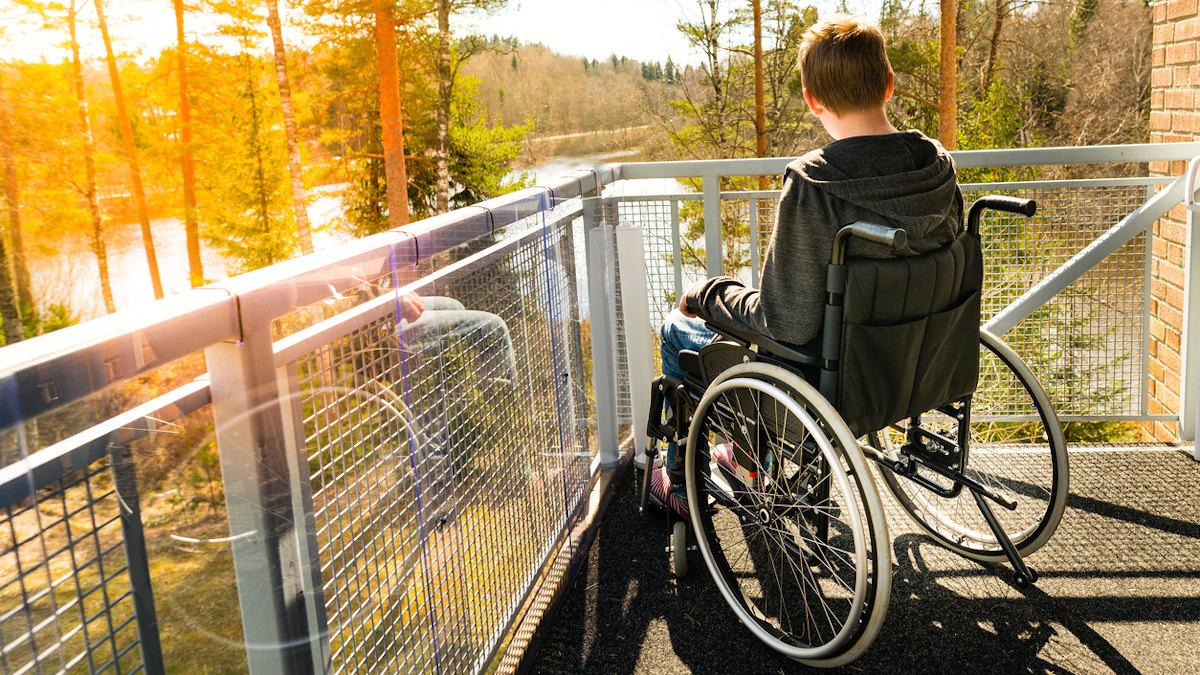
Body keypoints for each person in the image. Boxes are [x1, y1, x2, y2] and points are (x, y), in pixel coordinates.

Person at [659, 16, 964, 483]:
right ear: (888, 85)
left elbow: (788, 323)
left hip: (829, 389)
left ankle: (693, 478)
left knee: (677, 328)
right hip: (922, 367)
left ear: (811, 99)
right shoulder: (938, 167)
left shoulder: (813, 184)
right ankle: (746, 459)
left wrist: (706, 294)